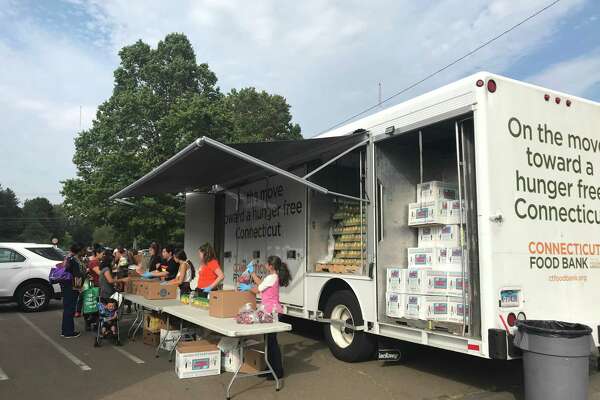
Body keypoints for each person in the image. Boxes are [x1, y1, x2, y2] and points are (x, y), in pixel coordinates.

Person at [238, 255, 291, 380]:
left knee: (271, 342)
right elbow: (261, 284)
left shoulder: (272, 277)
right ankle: (270, 369)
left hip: (270, 312)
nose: (265, 265)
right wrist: (252, 273)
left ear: (271, 266)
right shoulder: (273, 277)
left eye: (266, 264)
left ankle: (277, 371)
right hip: (271, 311)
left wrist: (247, 288)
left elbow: (257, 289)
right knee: (270, 341)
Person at [60, 243, 84, 338]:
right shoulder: (75, 261)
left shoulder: (68, 258)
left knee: (66, 309)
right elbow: (77, 276)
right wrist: (79, 288)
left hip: (65, 286)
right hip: (72, 287)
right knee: (70, 309)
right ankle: (69, 332)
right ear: (80, 251)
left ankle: (64, 330)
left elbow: (64, 268)